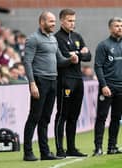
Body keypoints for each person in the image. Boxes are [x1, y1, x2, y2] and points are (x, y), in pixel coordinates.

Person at [23, 11, 78, 161]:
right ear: (42, 22)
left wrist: (70, 59)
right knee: (34, 116)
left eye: (54, 21)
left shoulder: (53, 39)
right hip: (40, 81)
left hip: (53, 80)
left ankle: (45, 152)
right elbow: (27, 62)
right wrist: (32, 84)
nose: (54, 24)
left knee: (46, 118)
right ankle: (27, 152)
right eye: (51, 21)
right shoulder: (33, 39)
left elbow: (59, 60)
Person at [54, 8, 91, 157]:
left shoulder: (77, 36)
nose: (72, 23)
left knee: (73, 116)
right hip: (65, 80)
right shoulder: (57, 38)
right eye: (69, 20)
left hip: (78, 79)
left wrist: (77, 54)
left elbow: (88, 56)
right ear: (62, 20)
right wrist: (79, 52)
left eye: (74, 20)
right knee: (62, 114)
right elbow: (63, 57)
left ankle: (71, 148)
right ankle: (59, 149)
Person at [93, 17, 122, 156]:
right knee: (102, 117)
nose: (120, 28)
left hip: (121, 88)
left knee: (116, 117)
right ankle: (98, 147)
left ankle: (112, 146)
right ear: (110, 28)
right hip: (108, 87)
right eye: (117, 26)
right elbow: (98, 66)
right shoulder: (103, 45)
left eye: (121, 26)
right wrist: (103, 85)